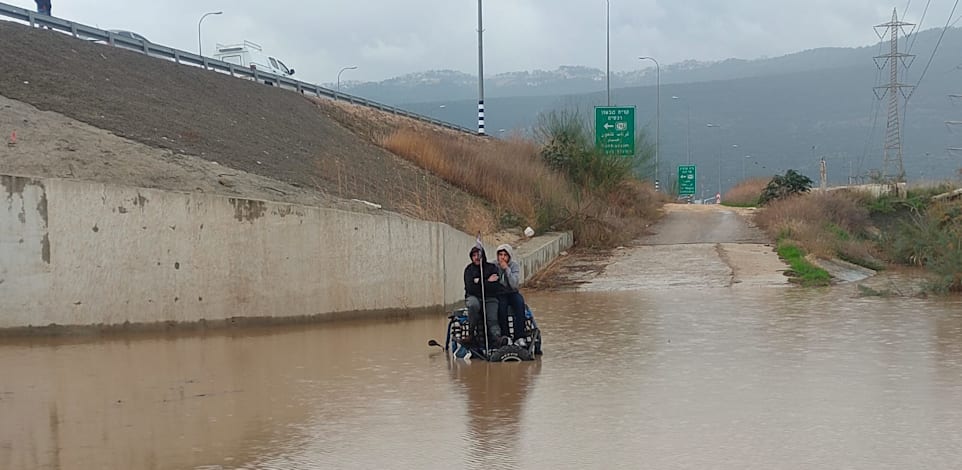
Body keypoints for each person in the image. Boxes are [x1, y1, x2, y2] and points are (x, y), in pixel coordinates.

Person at [463, 246, 507, 348]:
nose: (476, 257)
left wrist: (479, 282)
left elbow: (495, 287)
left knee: (492, 317)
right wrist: (487, 281)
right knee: (473, 305)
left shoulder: (492, 268)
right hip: (473, 297)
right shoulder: (469, 270)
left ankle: (497, 338)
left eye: (478, 255)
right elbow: (470, 288)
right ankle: (470, 334)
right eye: (474, 256)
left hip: (490, 297)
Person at [495, 244, 527, 342]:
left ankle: (519, 336)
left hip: (512, 292)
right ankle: (506, 336)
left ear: (509, 256)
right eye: (500, 254)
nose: (503, 257)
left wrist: (507, 269)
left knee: (520, 303)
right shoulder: (493, 265)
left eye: (505, 255)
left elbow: (514, 284)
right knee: (501, 307)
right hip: (500, 293)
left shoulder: (514, 266)